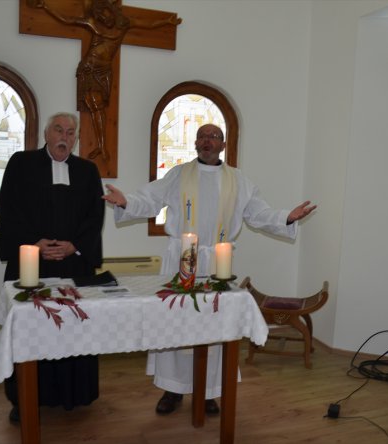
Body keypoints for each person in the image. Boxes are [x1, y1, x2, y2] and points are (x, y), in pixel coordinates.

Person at [103, 123, 316, 415]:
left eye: (213, 137)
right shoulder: (179, 175)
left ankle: (208, 392)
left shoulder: (238, 181)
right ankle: (172, 389)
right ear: (195, 143)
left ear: (223, 144)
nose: (207, 141)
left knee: (213, 325)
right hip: (181, 260)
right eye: (202, 136)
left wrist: (286, 218)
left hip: (217, 261)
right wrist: (126, 201)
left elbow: (259, 214)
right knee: (175, 323)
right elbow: (149, 199)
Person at [0, 111, 105, 422]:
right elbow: (8, 209)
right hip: (32, 262)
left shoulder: (87, 170)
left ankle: (75, 394)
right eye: (59, 130)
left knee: (74, 327)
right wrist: (34, 243)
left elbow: (95, 215)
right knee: (32, 329)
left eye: (71, 132)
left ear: (76, 138)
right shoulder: (21, 163)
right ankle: (24, 397)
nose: (64, 137)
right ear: (46, 134)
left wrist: (75, 245)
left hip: (74, 264)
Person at [31, 0, 181, 160]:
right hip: (89, 69)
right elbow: (68, 19)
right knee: (94, 106)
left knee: (99, 107)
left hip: (104, 71)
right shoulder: (92, 24)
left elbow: (147, 24)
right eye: (101, 17)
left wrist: (166, 21)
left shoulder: (124, 24)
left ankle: (101, 147)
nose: (105, 19)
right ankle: (101, 147)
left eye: (107, 15)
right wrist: (46, 7)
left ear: (112, 12)